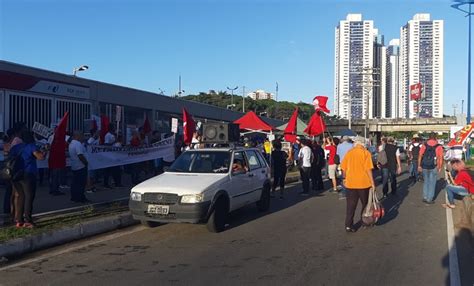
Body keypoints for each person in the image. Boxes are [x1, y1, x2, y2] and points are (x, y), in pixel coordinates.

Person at [10, 131, 46, 228]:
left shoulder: (15, 147)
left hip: (16, 175)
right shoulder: (31, 146)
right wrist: (45, 151)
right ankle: (28, 220)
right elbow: (40, 157)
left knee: (20, 197)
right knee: (29, 197)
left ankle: (19, 220)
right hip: (28, 174)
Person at [340, 136, 376, 233]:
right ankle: (364, 222)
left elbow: (343, 168)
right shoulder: (366, 153)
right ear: (363, 144)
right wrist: (372, 182)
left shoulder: (349, 153)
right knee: (365, 204)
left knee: (350, 206)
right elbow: (368, 169)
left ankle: (348, 225)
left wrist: (344, 178)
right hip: (364, 183)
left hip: (351, 183)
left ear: (355, 143)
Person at [418, 133, 444, 204]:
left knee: (426, 181)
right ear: (435, 137)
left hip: (425, 166)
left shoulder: (424, 145)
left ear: (429, 137)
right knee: (432, 183)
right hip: (434, 166)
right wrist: (440, 167)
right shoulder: (439, 146)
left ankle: (425, 197)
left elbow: (420, 155)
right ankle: (429, 199)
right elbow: (440, 157)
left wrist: (419, 165)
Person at [69, 131, 90, 203]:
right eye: (82, 136)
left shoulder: (71, 143)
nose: (83, 137)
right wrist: (86, 163)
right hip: (80, 166)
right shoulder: (77, 144)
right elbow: (80, 155)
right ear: (77, 136)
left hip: (74, 166)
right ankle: (81, 198)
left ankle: (74, 197)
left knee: (75, 183)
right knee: (81, 183)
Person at [103, 124, 116, 188]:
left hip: (113, 154)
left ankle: (113, 181)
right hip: (109, 154)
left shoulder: (113, 135)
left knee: (113, 169)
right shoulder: (107, 135)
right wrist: (113, 143)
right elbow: (106, 144)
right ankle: (106, 183)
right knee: (107, 170)